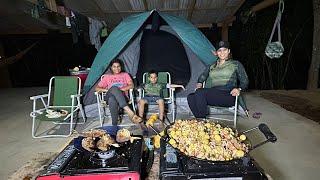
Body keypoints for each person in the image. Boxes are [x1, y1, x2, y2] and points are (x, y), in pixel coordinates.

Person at [187, 41, 249, 118]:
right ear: (216, 52)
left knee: (200, 92)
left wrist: (239, 89)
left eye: (224, 50)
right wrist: (199, 83)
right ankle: (201, 121)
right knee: (191, 97)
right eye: (219, 50)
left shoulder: (236, 64)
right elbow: (203, 76)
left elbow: (245, 81)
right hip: (214, 94)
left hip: (229, 94)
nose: (222, 53)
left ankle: (202, 122)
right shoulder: (212, 65)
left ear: (228, 51)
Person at [95, 59, 142, 125]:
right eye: (114, 66)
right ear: (111, 67)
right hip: (108, 96)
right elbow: (97, 88)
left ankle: (114, 124)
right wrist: (110, 90)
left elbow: (132, 85)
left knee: (112, 99)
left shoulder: (125, 75)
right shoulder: (107, 77)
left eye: (118, 66)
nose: (116, 68)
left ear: (121, 67)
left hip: (123, 97)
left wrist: (119, 90)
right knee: (113, 89)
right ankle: (129, 112)